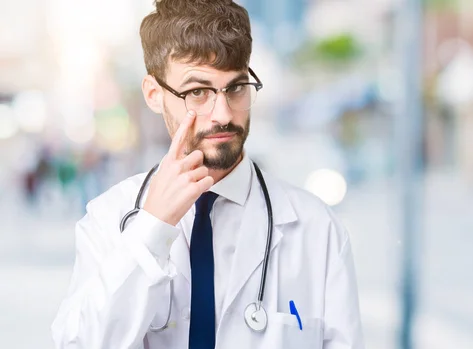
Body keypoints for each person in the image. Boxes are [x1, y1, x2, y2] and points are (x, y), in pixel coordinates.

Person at [51, 0, 364, 348]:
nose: (222, 113)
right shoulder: (108, 218)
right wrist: (152, 229)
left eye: (236, 88)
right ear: (154, 94)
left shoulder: (318, 230)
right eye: (198, 92)